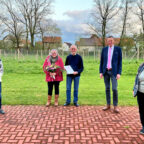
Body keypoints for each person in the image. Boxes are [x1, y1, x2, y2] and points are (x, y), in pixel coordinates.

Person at [99, 36, 122, 113]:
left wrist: (119, 73)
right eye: (109, 41)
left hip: (114, 72)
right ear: (107, 41)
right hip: (105, 71)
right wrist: (101, 72)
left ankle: (115, 106)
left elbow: (120, 62)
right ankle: (108, 105)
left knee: (114, 89)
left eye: (111, 40)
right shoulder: (104, 49)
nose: (110, 42)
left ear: (114, 41)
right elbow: (101, 61)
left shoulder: (118, 49)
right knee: (107, 88)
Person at [133, 63, 144, 134]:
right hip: (140, 92)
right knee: (141, 110)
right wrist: (134, 89)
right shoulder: (141, 66)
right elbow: (137, 79)